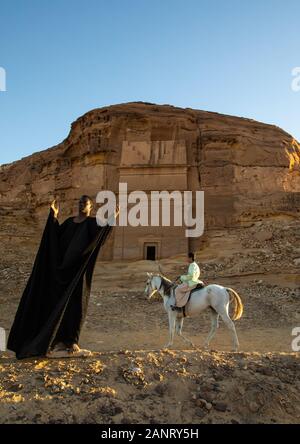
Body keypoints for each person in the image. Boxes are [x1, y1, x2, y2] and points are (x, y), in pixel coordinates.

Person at [7, 195, 119, 359]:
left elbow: (100, 238)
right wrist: (53, 217)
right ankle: (56, 342)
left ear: (91, 207)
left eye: (85, 203)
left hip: (78, 274)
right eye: (79, 202)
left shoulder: (92, 223)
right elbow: (53, 240)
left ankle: (71, 341)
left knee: (77, 307)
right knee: (55, 305)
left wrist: (112, 219)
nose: (81, 205)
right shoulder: (68, 223)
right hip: (61, 274)